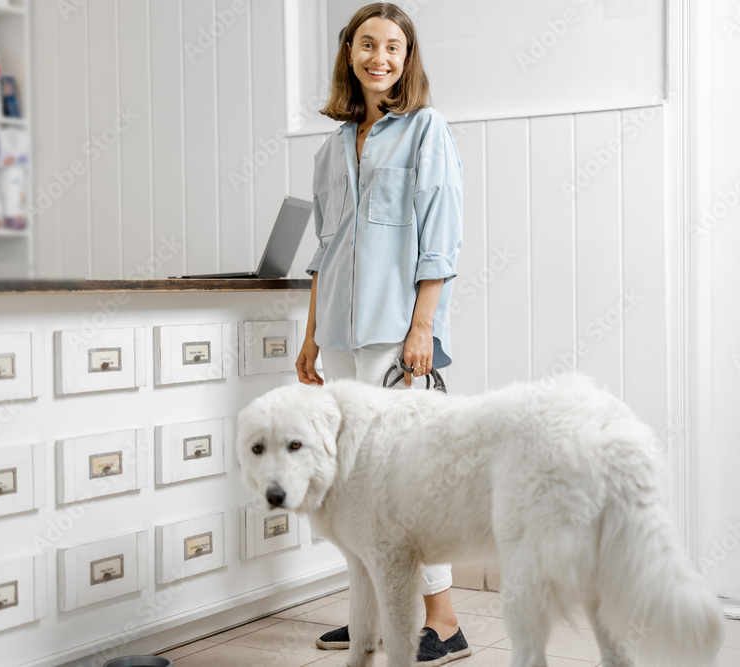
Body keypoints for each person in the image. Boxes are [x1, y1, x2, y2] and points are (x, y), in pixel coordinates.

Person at [295, 3, 467, 665]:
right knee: (353, 484)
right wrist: (311, 336)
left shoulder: (426, 130)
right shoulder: (330, 146)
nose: (379, 58)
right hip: (338, 332)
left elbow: (440, 240)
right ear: (350, 52)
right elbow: (324, 250)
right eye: (368, 44)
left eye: (392, 47)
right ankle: (366, 616)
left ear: (406, 57)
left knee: (406, 482)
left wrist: (422, 326)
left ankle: (444, 621)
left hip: (396, 334)